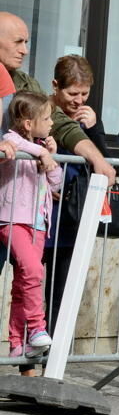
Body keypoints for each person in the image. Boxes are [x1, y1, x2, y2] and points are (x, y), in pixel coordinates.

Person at [0, 12, 114, 181]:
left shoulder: (27, 84)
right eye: (18, 42)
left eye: (26, 42)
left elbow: (61, 124)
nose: (25, 50)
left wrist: (97, 158)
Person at [43, 56, 111, 333]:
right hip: (45, 213)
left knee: (62, 287)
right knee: (33, 284)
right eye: (72, 93)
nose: (78, 100)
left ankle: (55, 348)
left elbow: (105, 162)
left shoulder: (87, 117)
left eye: (84, 93)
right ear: (55, 87)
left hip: (73, 215)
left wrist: (95, 128)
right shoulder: (44, 111)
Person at [1, 92, 61, 358]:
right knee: (33, 270)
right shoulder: (11, 142)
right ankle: (37, 328)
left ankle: (16, 343)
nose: (50, 124)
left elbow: (56, 182)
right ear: (28, 123)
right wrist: (41, 153)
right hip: (14, 219)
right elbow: (13, 142)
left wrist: (50, 157)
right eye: (46, 118)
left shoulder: (38, 148)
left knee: (23, 282)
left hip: (39, 222)